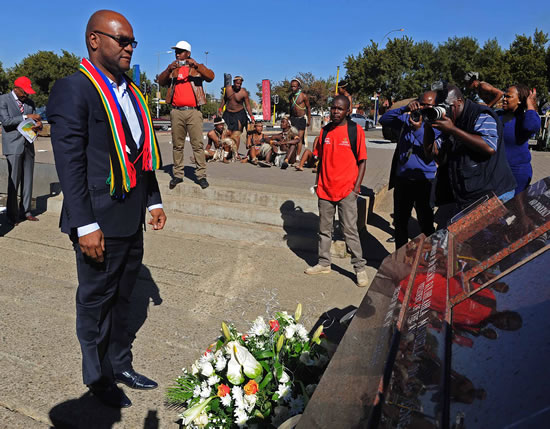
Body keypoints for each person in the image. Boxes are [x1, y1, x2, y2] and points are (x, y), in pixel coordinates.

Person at [47, 10, 167, 409]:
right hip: (97, 220)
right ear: (95, 40)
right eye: (123, 40)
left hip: (131, 218)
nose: (130, 48)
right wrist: (84, 224)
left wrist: (154, 200)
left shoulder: (132, 92)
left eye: (133, 41)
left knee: (124, 298)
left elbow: (140, 154)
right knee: (96, 301)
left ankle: (120, 364)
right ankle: (97, 377)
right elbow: (71, 164)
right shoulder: (74, 89)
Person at [305, 95, 369, 288]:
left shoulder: (355, 131)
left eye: (339, 109)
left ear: (347, 111)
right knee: (324, 230)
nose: (335, 111)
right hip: (325, 189)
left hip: (346, 190)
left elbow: (362, 161)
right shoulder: (324, 132)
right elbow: (320, 161)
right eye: (333, 108)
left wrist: (356, 188)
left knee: (350, 231)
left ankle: (359, 268)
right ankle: (324, 263)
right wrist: (317, 184)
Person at [423, 84, 516, 218]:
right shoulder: (453, 121)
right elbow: (432, 153)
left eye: (446, 106)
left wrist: (453, 130)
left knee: (484, 237)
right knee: (456, 236)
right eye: (439, 107)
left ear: (458, 101)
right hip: (469, 196)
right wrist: (428, 126)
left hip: (494, 194)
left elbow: (489, 147)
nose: (443, 111)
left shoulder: (481, 114)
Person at [379, 91, 438, 249]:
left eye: (428, 105)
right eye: (421, 103)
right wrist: (405, 108)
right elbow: (384, 119)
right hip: (403, 179)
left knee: (426, 224)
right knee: (400, 223)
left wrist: (418, 130)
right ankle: (400, 260)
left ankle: (428, 260)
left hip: (425, 180)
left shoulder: (436, 123)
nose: (424, 107)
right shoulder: (407, 118)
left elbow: (432, 150)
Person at [158, 40, 214, 190]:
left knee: (197, 145)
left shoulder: (196, 69)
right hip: (176, 111)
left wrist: (197, 65)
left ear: (188, 53)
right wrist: (168, 69)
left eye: (180, 51)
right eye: (176, 51)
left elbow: (210, 76)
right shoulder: (174, 70)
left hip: (193, 111)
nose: (177, 54)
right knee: (177, 145)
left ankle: (201, 176)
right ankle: (177, 175)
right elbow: (160, 81)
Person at [0, 76, 43, 225]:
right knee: (14, 181)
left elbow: (35, 121)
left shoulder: (30, 103)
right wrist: (25, 116)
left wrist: (39, 125)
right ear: (16, 88)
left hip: (28, 145)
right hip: (13, 146)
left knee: (28, 179)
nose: (27, 95)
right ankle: (12, 215)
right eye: (24, 92)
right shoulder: (3, 100)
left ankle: (26, 211)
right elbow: (6, 122)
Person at [499, 84, 541, 195]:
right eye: (504, 96)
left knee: (511, 209)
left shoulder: (525, 119)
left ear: (519, 100)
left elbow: (531, 126)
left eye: (509, 96)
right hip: (496, 173)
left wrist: (530, 105)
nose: (504, 99)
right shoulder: (498, 115)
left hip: (516, 174)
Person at [220, 76, 255, 154]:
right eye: (237, 83)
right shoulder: (228, 89)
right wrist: (220, 108)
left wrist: (251, 116)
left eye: (240, 83)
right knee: (226, 133)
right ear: (234, 82)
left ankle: (235, 152)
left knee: (237, 134)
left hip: (239, 113)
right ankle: (225, 151)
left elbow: (248, 105)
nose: (239, 85)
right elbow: (224, 100)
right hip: (228, 113)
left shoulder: (243, 93)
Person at [289, 79, 311, 160]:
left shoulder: (303, 96)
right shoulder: (290, 97)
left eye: (294, 86)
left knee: (299, 137)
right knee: (293, 137)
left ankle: (298, 156)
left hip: (301, 119)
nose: (293, 88)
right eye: (291, 86)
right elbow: (290, 109)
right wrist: (290, 119)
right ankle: (292, 154)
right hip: (293, 119)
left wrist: (309, 120)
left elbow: (308, 108)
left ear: (298, 87)